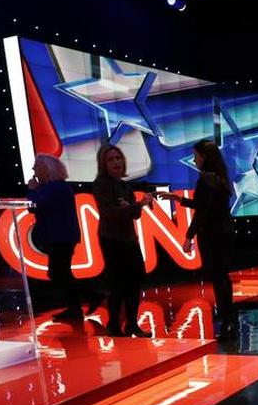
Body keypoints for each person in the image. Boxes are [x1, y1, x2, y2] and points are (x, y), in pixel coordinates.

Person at [158, 140, 237, 340]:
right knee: (223, 277)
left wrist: (188, 236)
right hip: (224, 232)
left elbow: (203, 212)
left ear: (204, 156)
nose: (194, 159)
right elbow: (203, 205)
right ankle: (230, 319)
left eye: (196, 155)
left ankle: (227, 322)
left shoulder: (207, 178)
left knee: (219, 278)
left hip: (212, 235)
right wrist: (178, 199)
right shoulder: (218, 177)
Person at [93, 144, 153, 337]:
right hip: (112, 239)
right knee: (118, 283)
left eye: (118, 158)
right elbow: (111, 213)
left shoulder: (125, 185)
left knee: (134, 281)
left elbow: (134, 215)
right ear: (104, 164)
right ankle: (113, 325)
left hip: (128, 238)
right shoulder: (101, 184)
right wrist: (135, 205)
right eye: (111, 159)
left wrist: (133, 207)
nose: (116, 162)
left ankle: (132, 324)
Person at [27, 154, 93, 320]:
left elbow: (34, 206)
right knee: (60, 272)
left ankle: (88, 298)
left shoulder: (55, 188)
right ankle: (78, 305)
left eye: (36, 166)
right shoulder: (56, 187)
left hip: (60, 236)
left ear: (47, 169)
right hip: (60, 236)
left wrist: (32, 190)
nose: (33, 170)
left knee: (58, 273)